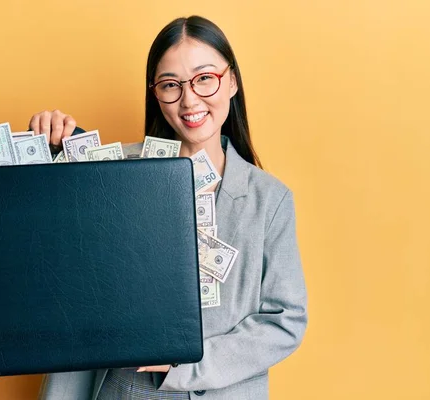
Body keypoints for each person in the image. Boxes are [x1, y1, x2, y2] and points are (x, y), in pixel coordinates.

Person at [33, 15, 307, 400]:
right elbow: (55, 262)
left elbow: (286, 320)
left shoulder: (270, 199)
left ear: (231, 80)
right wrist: (48, 143)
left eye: (204, 77)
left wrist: (190, 362)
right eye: (170, 85)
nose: (190, 99)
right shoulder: (112, 174)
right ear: (155, 93)